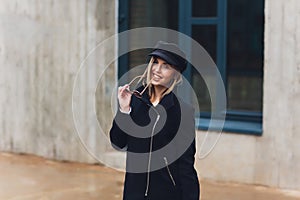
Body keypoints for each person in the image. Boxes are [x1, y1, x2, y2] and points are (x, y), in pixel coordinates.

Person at [109, 41, 200, 200]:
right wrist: (124, 110)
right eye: (155, 63)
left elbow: (185, 167)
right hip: (133, 193)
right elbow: (118, 142)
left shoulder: (183, 112)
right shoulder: (134, 100)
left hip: (167, 195)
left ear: (176, 74)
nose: (157, 70)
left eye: (166, 66)